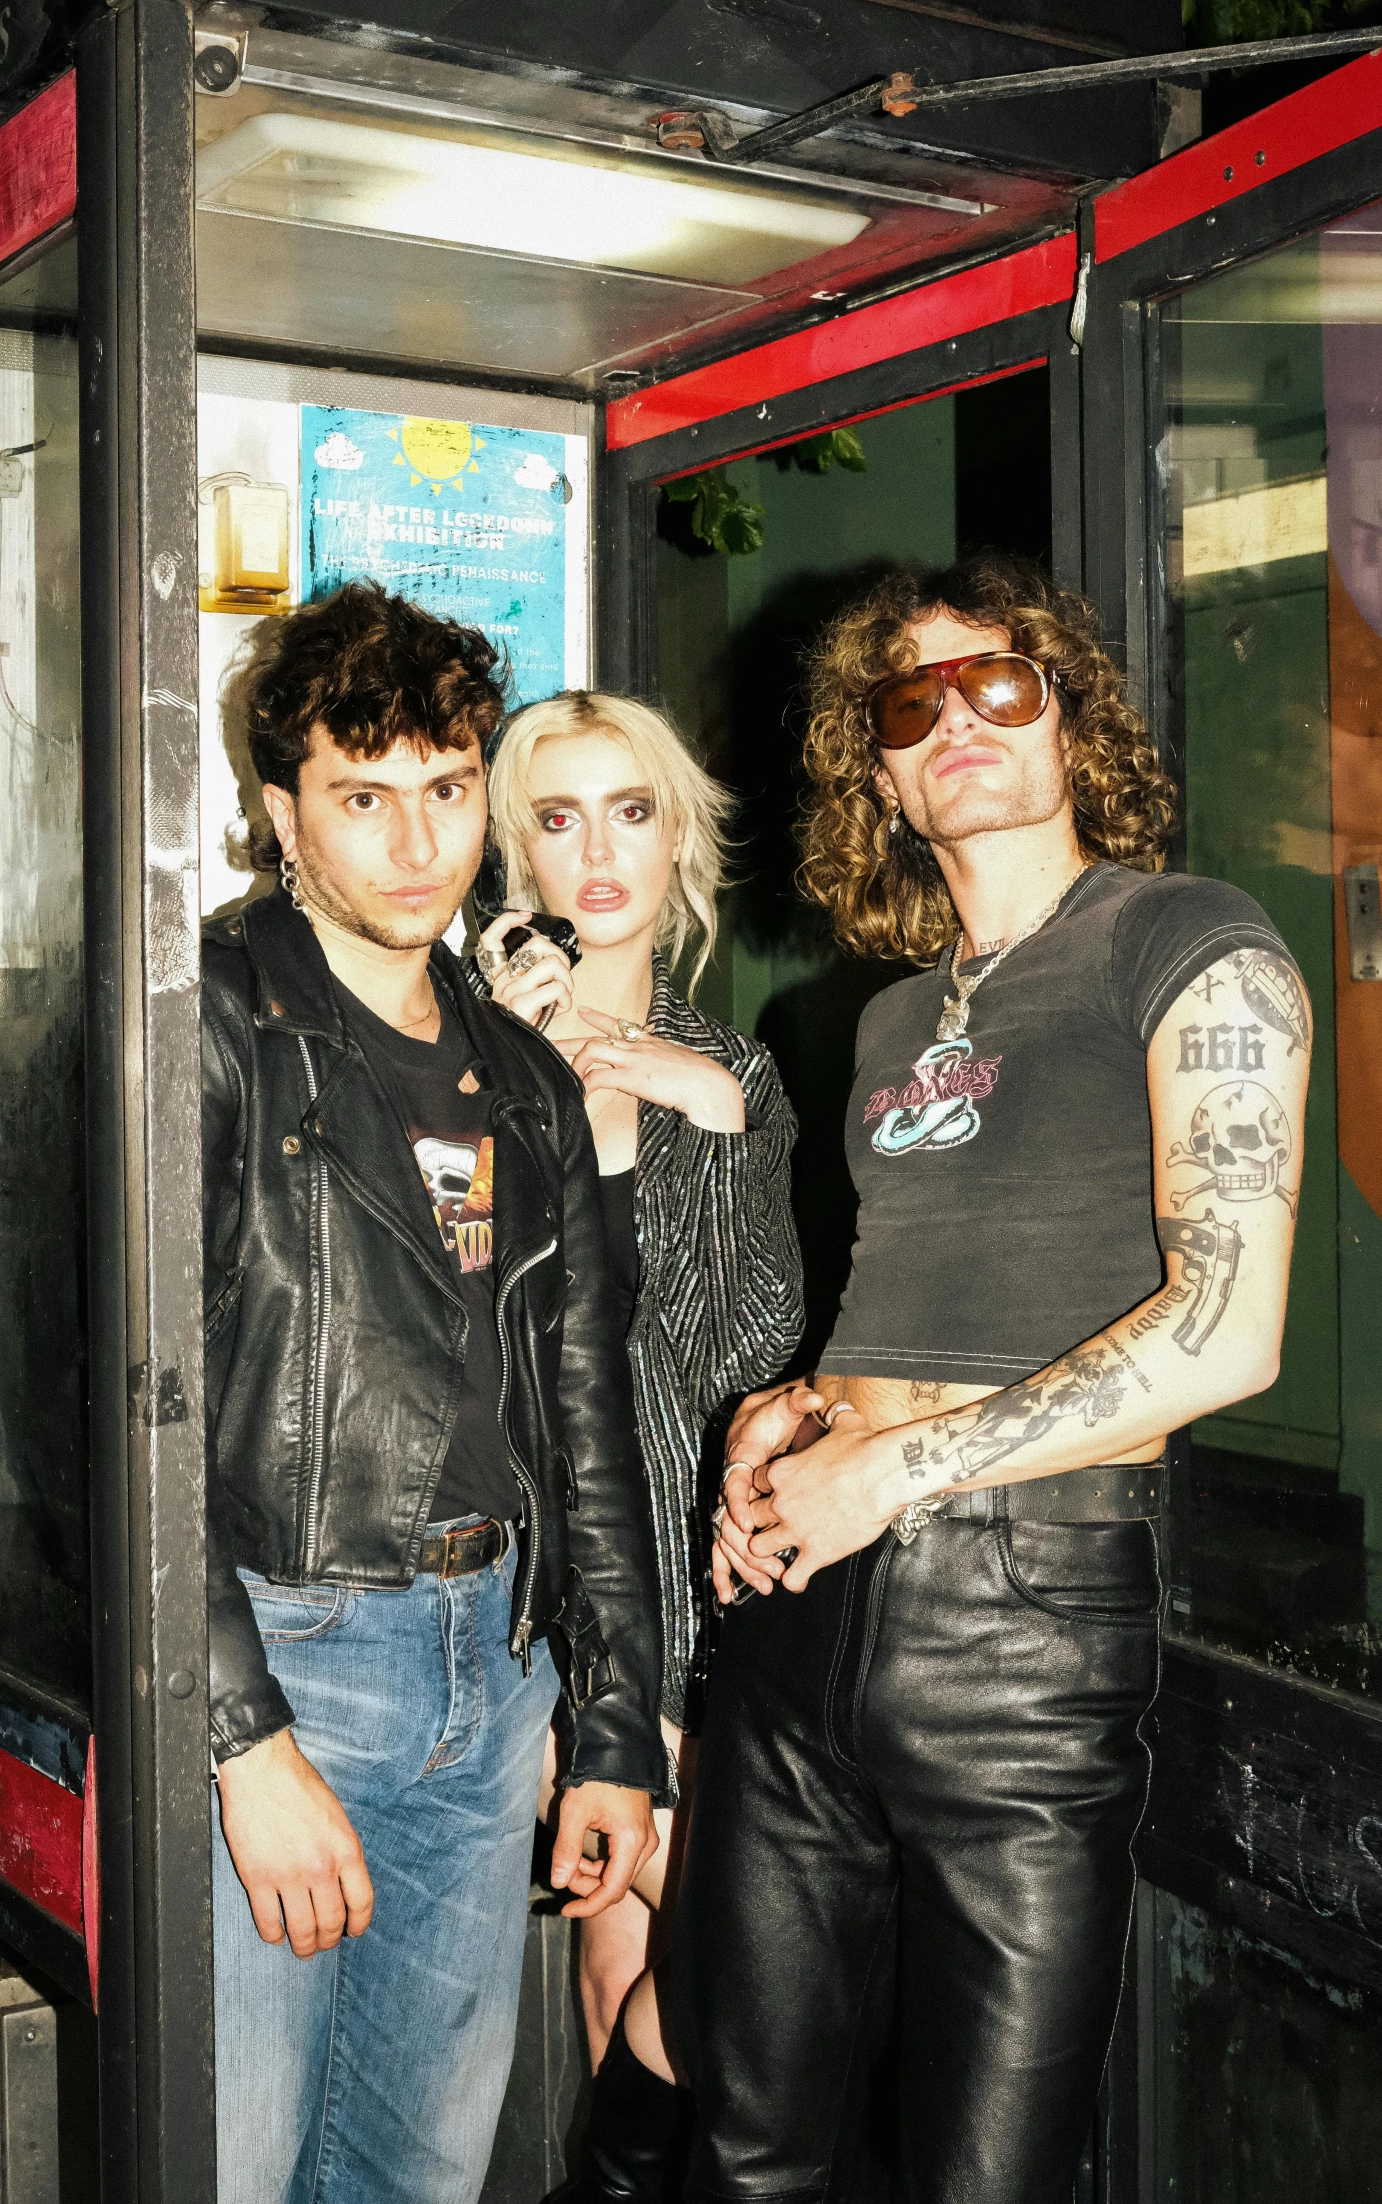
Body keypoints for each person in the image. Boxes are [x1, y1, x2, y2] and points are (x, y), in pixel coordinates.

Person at [680, 557, 1310, 2204]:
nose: (954, 715)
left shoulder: (1183, 937)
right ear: (873, 772)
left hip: (1022, 1628)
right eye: (909, 702)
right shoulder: (889, 1017)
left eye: (999, 683)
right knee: (744, 2153)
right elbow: (915, 1291)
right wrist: (800, 1408)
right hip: (801, 1601)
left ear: (1069, 717)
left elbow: (1229, 1328)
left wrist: (885, 1468)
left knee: (987, 2176)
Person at [202, 585, 668, 2204]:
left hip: (497, 1671)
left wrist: (611, 1721)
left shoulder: (523, 1072)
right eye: (361, 794)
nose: (416, 842)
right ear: (282, 813)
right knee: (232, 2162)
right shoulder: (205, 1022)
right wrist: (236, 1735)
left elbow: (585, 1405)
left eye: (447, 787)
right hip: (286, 1642)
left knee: (417, 2175)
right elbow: (113, 1403)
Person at [473, 690, 802, 2196]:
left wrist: (687, 1109)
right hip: (552, 1589)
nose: (595, 850)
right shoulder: (464, 1058)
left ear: (678, 838)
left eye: (629, 809)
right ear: (512, 851)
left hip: (712, 1588)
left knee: (732, 1985)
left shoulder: (732, 1069)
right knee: (625, 1988)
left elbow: (741, 1345)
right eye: (555, 815)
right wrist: (556, 1100)